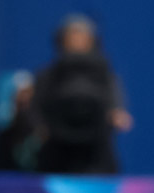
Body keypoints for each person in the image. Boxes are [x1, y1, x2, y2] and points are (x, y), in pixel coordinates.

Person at [34, 13, 133, 174]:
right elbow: (36, 110)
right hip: (57, 153)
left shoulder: (106, 76)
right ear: (61, 40)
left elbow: (117, 106)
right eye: (72, 36)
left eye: (82, 36)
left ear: (92, 41)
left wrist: (117, 113)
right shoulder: (47, 76)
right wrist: (39, 127)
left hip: (97, 154)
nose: (77, 41)